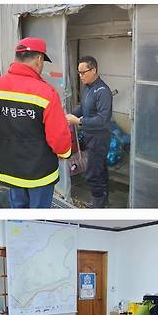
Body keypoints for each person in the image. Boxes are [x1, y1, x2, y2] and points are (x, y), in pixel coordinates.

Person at [0, 37, 71, 209]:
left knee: (19, 218)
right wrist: (64, 153)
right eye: (43, 62)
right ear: (39, 59)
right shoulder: (46, 93)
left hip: (11, 168)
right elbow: (58, 137)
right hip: (40, 172)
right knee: (39, 219)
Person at [66, 56, 113, 208]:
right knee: (100, 168)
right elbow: (83, 107)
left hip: (99, 138)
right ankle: (103, 200)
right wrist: (69, 115)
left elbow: (102, 119)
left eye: (83, 72)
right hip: (90, 135)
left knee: (92, 172)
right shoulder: (88, 88)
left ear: (93, 70)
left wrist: (78, 121)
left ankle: (98, 203)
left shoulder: (102, 91)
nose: (80, 76)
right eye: (78, 73)